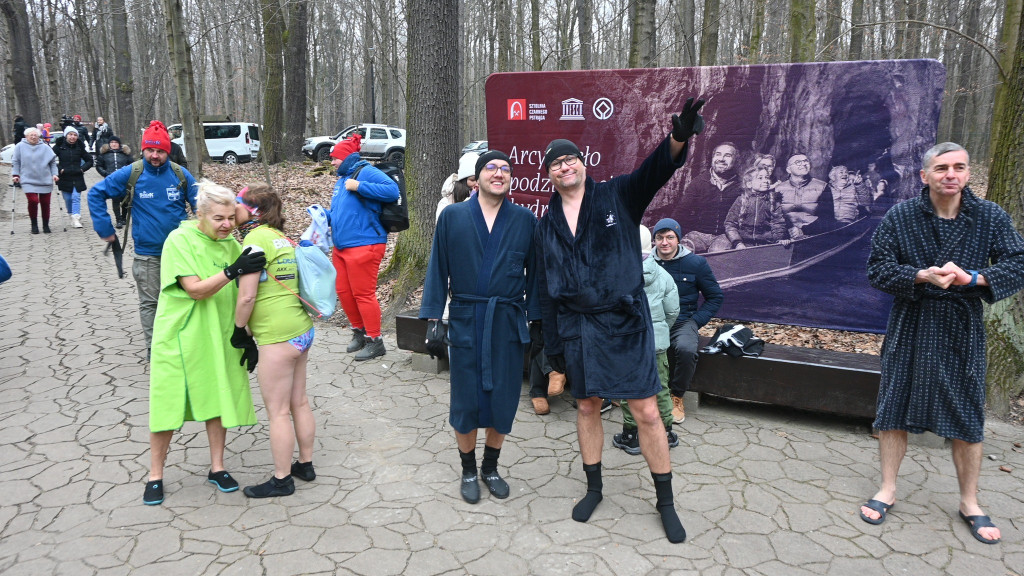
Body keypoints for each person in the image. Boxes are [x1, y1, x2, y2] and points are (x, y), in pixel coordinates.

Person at [534, 97, 705, 543]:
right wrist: (552, 348)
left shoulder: (616, 196)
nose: (564, 166)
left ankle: (665, 502)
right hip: (576, 328)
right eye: (556, 163)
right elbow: (545, 291)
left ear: (583, 165)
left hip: (625, 324)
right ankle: (594, 488)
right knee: (587, 405)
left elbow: (656, 170)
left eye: (570, 159)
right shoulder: (546, 224)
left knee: (647, 410)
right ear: (548, 175)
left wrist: (678, 136)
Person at [859, 142, 1024, 545]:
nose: (951, 174)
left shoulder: (989, 216)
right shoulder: (901, 216)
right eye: (942, 167)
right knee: (893, 406)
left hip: (961, 326)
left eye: (959, 167)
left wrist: (973, 278)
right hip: (911, 321)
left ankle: (970, 500)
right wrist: (919, 275)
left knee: (967, 414)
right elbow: (877, 268)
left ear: (968, 174)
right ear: (925, 175)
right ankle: (888, 489)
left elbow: (1017, 263)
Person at [420, 150, 539, 504]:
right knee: (466, 402)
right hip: (466, 318)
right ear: (476, 178)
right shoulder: (453, 217)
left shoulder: (524, 220)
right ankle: (468, 469)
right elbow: (437, 269)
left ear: (511, 179)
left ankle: (491, 467)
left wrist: (537, 320)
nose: (498, 173)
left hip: (506, 320)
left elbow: (537, 275)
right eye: (491, 168)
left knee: (503, 401)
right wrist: (433, 320)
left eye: (505, 169)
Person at [142, 180, 266, 505]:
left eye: (230, 218)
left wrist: (248, 337)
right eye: (219, 219)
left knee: (217, 398)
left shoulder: (230, 243)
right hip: (181, 337)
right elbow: (195, 290)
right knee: (167, 404)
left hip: (219, 334)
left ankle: (217, 467)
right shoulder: (179, 240)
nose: (227, 225)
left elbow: (247, 293)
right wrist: (233, 270)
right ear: (200, 214)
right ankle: (155, 474)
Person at [233, 185, 317, 498]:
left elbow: (248, 295)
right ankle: (305, 463)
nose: (232, 208)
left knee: (278, 411)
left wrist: (240, 329)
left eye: (237, 203)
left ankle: (282, 480)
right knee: (300, 401)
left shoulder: (255, 240)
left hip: (276, 335)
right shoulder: (281, 237)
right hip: (300, 330)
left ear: (252, 210)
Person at [88, 120, 198, 352]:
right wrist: (106, 230)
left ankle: (185, 343)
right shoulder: (133, 172)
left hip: (182, 252)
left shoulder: (180, 174)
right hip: (148, 254)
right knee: (151, 303)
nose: (155, 156)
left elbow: (203, 206)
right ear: (143, 150)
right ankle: (155, 349)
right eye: (150, 150)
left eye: (160, 151)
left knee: (187, 298)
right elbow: (96, 194)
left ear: (168, 151)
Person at [327, 133, 400, 361]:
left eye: (334, 158)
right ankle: (358, 333)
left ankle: (375, 340)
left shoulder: (365, 172)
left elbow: (392, 191)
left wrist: (359, 185)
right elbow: (342, 212)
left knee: (363, 294)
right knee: (344, 292)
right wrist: (324, 216)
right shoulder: (341, 180)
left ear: (346, 157)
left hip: (365, 243)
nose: (331, 162)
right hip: (341, 247)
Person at [613, 225, 679, 455]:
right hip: (656, 345)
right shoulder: (664, 276)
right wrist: (659, 331)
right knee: (661, 386)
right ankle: (667, 432)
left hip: (627, 344)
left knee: (629, 390)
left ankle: (631, 436)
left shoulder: (615, 274)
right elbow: (673, 311)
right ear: (650, 243)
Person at [651, 217, 723, 422]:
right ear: (654, 240)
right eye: (659, 238)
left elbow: (715, 297)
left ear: (678, 240)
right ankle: (635, 392)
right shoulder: (647, 264)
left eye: (669, 237)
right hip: (654, 321)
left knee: (685, 349)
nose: (664, 242)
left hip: (683, 321)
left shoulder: (696, 263)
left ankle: (676, 397)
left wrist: (695, 321)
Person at [677, 142, 740, 253]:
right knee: (683, 253)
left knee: (718, 256)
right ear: (712, 157)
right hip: (697, 234)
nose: (721, 159)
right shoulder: (699, 182)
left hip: (724, 236)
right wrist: (672, 232)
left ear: (735, 160)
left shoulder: (740, 185)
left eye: (728, 155)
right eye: (718, 154)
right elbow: (682, 210)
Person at [723, 167, 790, 248]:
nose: (765, 181)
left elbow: (778, 223)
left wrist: (779, 239)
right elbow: (730, 224)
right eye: (760, 178)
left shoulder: (773, 201)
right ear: (749, 184)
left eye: (767, 177)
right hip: (743, 245)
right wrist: (737, 243)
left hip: (766, 245)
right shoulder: (741, 200)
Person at [11, 127, 58, 234]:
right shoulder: (20, 146)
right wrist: (15, 174)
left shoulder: (45, 147)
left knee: (45, 203)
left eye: (35, 135)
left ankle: (46, 225)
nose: (33, 137)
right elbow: (16, 161)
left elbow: (52, 163)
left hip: (45, 179)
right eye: (31, 135)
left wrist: (54, 174)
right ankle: (34, 225)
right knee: (33, 201)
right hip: (27, 179)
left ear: (39, 136)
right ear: (26, 136)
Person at [776, 153, 834, 237]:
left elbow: (827, 218)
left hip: (814, 235)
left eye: (806, 161)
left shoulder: (822, 187)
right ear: (789, 170)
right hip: (786, 236)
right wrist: (787, 231)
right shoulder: (778, 189)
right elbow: (774, 217)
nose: (804, 164)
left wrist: (804, 231)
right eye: (798, 162)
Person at [52, 126, 93, 228]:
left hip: (77, 175)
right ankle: (71, 214)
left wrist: (82, 169)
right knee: (67, 198)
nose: (73, 137)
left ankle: (76, 217)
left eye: (75, 135)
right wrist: (59, 169)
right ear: (66, 136)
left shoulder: (80, 147)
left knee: (76, 197)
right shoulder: (59, 147)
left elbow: (90, 160)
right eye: (70, 134)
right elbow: (51, 160)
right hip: (64, 176)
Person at [95, 136, 134, 228]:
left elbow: (132, 165)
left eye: (115, 142)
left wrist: (128, 174)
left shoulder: (125, 155)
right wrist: (105, 173)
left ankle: (124, 217)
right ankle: (118, 219)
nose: (113, 144)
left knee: (125, 200)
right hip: (112, 181)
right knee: (115, 200)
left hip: (124, 181)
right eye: (111, 142)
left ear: (119, 144)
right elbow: (99, 166)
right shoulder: (104, 155)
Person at [436, 152, 479, 221]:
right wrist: (469, 203)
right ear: (463, 180)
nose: (477, 184)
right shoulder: (446, 202)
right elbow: (444, 227)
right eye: (473, 180)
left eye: (480, 179)